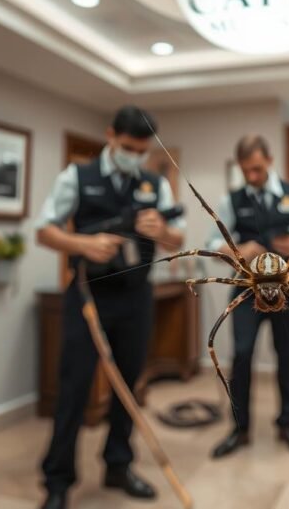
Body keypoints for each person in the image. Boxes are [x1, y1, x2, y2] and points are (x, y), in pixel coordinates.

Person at [35, 106, 184, 509]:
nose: (134, 156)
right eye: (128, 147)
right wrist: (83, 244)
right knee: (74, 387)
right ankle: (57, 480)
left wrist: (163, 230)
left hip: (136, 297)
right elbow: (44, 231)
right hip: (88, 295)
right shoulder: (77, 176)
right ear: (111, 136)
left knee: (129, 384)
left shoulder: (155, 184)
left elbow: (177, 239)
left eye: (142, 150)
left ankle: (118, 465)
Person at [209, 134, 289, 459]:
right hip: (247, 291)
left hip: (287, 289)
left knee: (286, 354)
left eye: (257, 169)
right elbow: (212, 242)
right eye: (246, 170)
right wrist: (236, 249)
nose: (252, 176)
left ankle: (287, 423)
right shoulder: (231, 200)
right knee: (242, 354)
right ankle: (239, 427)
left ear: (269, 161)